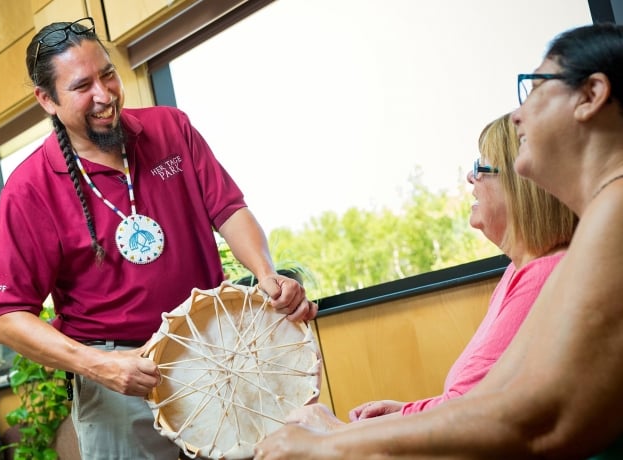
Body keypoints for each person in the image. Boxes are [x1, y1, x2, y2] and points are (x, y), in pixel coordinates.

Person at [254, 22, 623, 459]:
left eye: (534, 87)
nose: (518, 114)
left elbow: (541, 424)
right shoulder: (600, 221)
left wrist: (333, 443)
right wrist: (338, 437)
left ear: (590, 95)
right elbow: (493, 398)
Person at [0, 17, 317, 460]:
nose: (104, 95)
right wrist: (98, 365)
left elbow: (230, 209)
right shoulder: (29, 189)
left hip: (217, 352)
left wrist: (266, 274)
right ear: (46, 99)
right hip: (119, 382)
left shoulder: (170, 129)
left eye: (108, 74)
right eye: (83, 86)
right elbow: (7, 317)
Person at [282, 113, 577, 432]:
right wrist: (407, 411)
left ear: (522, 187)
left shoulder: (543, 275)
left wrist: (335, 432)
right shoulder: (517, 272)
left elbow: (471, 413)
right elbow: (469, 400)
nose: (469, 176)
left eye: (481, 167)